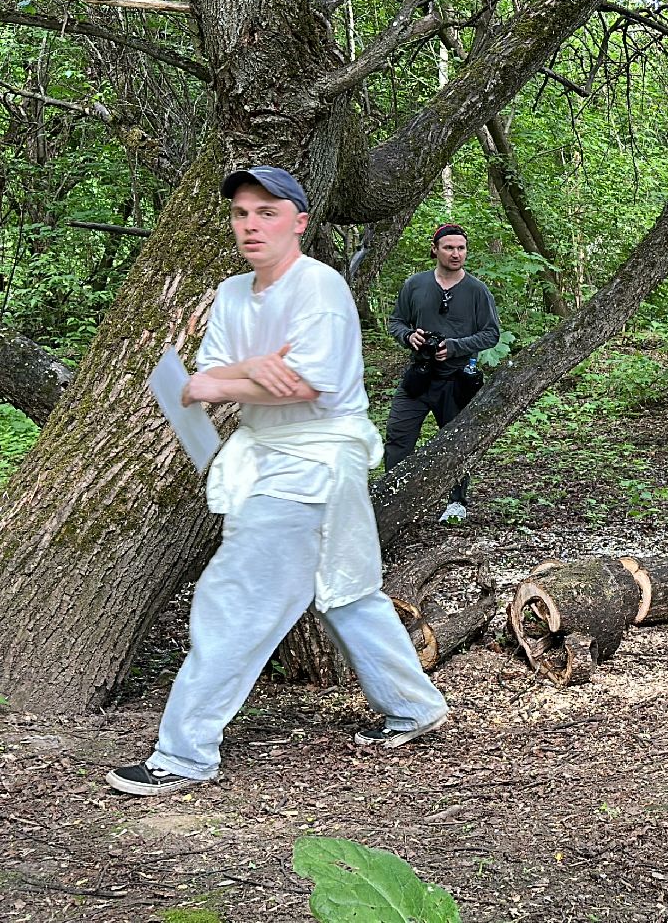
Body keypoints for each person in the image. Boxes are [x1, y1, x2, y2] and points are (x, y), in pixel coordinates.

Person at [107, 166, 448, 798]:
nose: (251, 225)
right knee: (347, 590)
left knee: (236, 598)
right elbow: (205, 378)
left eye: (267, 212)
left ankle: (183, 754)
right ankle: (415, 707)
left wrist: (231, 379)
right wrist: (253, 371)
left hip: (313, 462)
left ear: (300, 221)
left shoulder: (320, 289)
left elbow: (304, 383)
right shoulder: (233, 294)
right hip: (269, 454)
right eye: (241, 213)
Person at [384, 223, 500, 523]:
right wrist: (408, 336)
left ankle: (456, 502)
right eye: (449, 247)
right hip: (419, 376)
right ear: (435, 249)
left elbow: (491, 334)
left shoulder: (476, 290)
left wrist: (455, 346)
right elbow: (396, 321)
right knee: (398, 436)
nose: (456, 253)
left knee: (456, 441)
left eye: (461, 248)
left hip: (457, 378)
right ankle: (393, 499)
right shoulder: (416, 285)